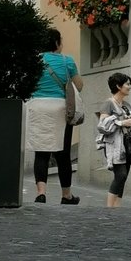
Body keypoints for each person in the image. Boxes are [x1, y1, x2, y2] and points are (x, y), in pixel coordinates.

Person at [25, 28, 82, 204]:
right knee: (63, 153)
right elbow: (78, 86)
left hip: (38, 106)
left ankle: (41, 193)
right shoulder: (67, 61)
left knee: (41, 152)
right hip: (60, 108)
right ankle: (66, 195)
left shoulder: (33, 60)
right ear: (57, 43)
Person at [96, 72, 131, 208]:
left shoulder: (126, 105)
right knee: (120, 174)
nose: (130, 86)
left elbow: (128, 127)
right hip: (113, 145)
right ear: (118, 86)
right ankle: (110, 207)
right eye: (127, 84)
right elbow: (102, 125)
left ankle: (117, 206)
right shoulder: (108, 104)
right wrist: (121, 123)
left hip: (126, 143)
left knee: (124, 175)